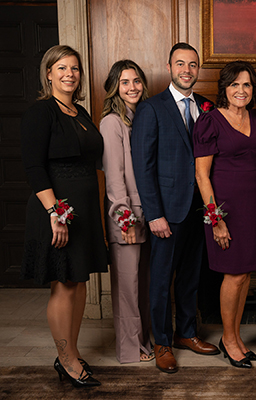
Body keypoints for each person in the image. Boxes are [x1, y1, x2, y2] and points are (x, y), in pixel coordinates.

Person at [20, 45, 107, 387]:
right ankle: (67, 360)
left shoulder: (80, 112)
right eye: (62, 68)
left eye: (75, 68)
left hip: (84, 209)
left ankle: (72, 349)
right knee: (63, 284)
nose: (70, 74)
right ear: (49, 74)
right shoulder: (42, 112)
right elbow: (33, 166)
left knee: (79, 280)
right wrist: (55, 211)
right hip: (56, 209)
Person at [131, 42, 219, 374]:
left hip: (198, 210)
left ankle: (186, 334)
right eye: (180, 64)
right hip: (166, 212)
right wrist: (154, 213)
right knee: (161, 279)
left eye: (193, 64)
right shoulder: (151, 108)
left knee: (190, 278)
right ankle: (162, 342)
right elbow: (143, 166)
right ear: (169, 68)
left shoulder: (204, 107)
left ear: (198, 70)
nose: (187, 70)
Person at [194, 61, 256, 369]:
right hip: (226, 209)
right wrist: (216, 218)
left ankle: (234, 337)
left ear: (253, 89)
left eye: (246, 84)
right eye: (235, 84)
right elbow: (201, 175)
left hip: (254, 207)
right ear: (224, 88)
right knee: (232, 275)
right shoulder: (209, 121)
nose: (241, 90)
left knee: (246, 273)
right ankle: (228, 338)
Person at [99, 60, 154, 364]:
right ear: (114, 87)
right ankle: (131, 350)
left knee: (141, 284)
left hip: (145, 213)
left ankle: (144, 342)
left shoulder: (138, 117)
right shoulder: (112, 122)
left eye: (136, 81)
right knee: (127, 288)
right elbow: (114, 174)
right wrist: (124, 217)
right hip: (127, 217)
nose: (132, 87)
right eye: (125, 82)